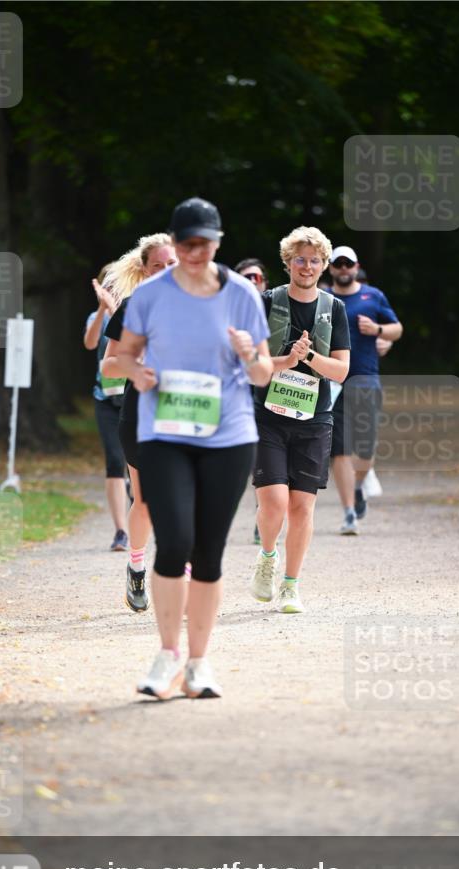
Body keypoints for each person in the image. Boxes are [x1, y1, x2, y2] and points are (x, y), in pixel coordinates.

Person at [115, 197, 273, 699]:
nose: (195, 252)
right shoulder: (151, 296)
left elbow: (264, 372)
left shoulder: (242, 295)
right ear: (175, 242)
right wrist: (136, 372)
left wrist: (251, 355)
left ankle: (200, 665)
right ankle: (167, 657)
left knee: (208, 551)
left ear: (218, 241)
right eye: (186, 244)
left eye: (204, 243)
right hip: (164, 434)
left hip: (228, 436)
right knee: (175, 541)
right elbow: (117, 359)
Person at [250, 226, 350, 613]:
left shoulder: (333, 309)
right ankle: (267, 556)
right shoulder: (266, 302)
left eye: (314, 260)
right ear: (287, 262)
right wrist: (286, 361)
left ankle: (291, 585)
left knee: (301, 508)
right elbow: (253, 368)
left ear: (324, 265)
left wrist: (308, 359)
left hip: (314, 418)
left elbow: (341, 370)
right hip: (268, 417)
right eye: (299, 259)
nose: (306, 266)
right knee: (274, 502)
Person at [98, 233, 177, 610]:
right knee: (145, 500)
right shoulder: (131, 308)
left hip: (187, 413)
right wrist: (139, 366)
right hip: (143, 412)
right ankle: (137, 567)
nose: (164, 272)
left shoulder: (201, 306)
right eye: (157, 266)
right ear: (145, 270)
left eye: (171, 265)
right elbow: (109, 364)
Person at [327, 246, 403, 534]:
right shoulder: (324, 298)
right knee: (340, 448)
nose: (344, 269)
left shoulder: (373, 296)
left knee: (366, 449)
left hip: (366, 380)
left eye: (349, 264)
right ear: (331, 268)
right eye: (338, 264)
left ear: (356, 267)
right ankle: (348, 513)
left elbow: (397, 328)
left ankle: (360, 485)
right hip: (333, 383)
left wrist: (379, 332)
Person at [84, 265, 129, 552]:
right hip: (105, 398)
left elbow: (126, 339)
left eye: (116, 284)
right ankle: (120, 531)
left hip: (133, 396)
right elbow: (90, 343)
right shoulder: (95, 317)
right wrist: (102, 310)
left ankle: (139, 515)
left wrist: (114, 309)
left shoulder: (132, 314)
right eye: (107, 285)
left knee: (135, 463)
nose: (111, 289)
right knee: (114, 461)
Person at [235, 258, 269, 543]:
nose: (253, 282)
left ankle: (263, 517)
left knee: (262, 458)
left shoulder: (275, 311)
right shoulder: (227, 311)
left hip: (267, 393)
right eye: (246, 277)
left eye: (257, 277)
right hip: (235, 393)